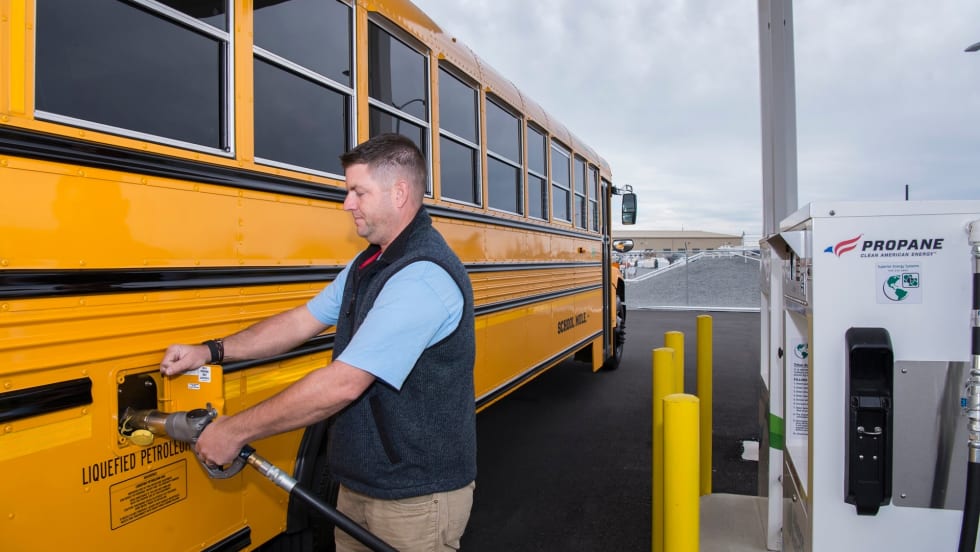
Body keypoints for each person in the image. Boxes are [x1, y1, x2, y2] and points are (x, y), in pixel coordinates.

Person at [159, 133, 477, 551]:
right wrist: (211, 351)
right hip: (361, 485)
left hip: (415, 499)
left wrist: (234, 431)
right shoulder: (369, 263)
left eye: (357, 192)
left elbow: (343, 383)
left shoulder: (422, 276)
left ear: (399, 193)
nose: (346, 204)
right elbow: (299, 322)